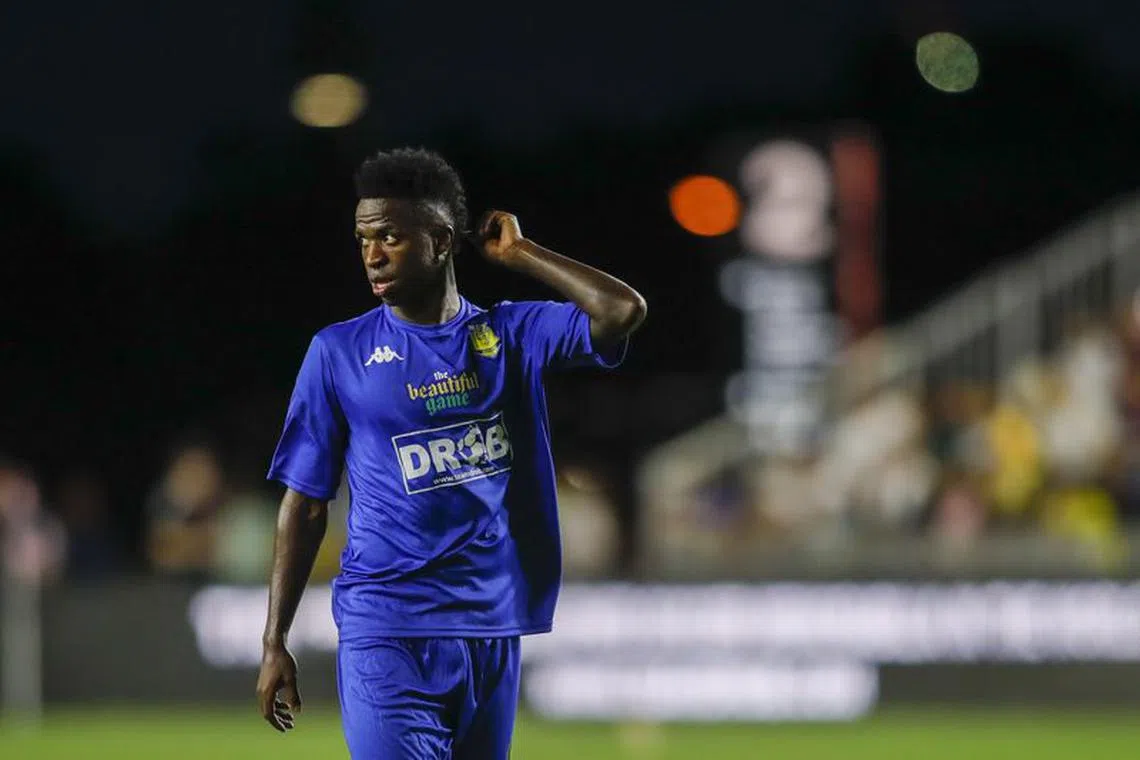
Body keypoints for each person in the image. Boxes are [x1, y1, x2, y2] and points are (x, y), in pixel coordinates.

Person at [256, 148, 646, 759]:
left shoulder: (511, 335)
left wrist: (523, 254)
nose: (372, 254)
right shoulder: (338, 353)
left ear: (440, 242)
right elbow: (305, 503)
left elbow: (622, 311)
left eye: (390, 236)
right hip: (389, 629)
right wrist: (274, 639)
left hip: (490, 629)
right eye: (363, 238)